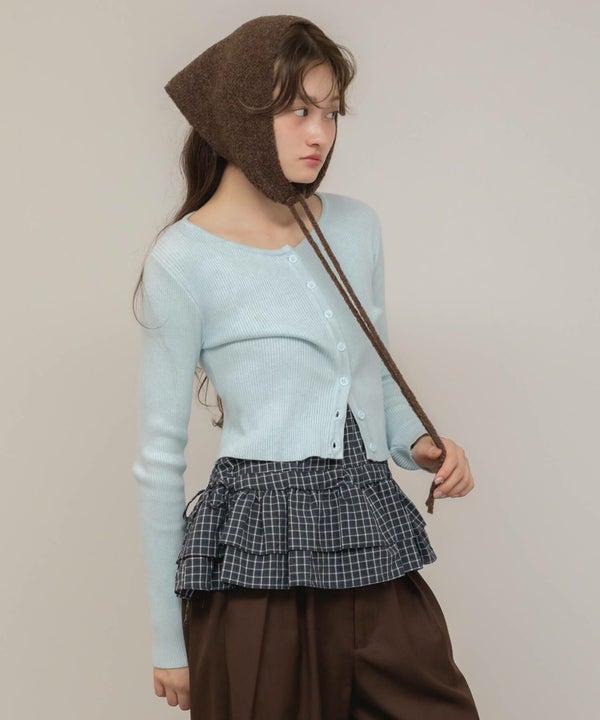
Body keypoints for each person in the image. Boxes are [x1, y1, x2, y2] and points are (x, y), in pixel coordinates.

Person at [132, 14, 479, 720]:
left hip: (368, 532)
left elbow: (376, 373)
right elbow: (160, 460)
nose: (319, 133)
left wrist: (420, 443)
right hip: (258, 561)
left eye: (330, 112)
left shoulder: (355, 226)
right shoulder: (183, 260)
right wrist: (170, 642)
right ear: (241, 116)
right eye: (298, 110)